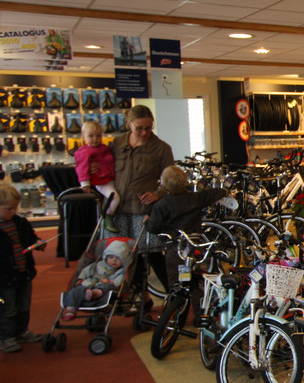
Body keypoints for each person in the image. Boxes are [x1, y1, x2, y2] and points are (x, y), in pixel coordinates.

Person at [106, 105, 174, 300]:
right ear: (129, 124)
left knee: (151, 254)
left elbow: (171, 179)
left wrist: (158, 193)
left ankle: (174, 296)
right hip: (117, 210)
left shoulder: (161, 148)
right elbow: (104, 168)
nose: (144, 133)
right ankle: (139, 298)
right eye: (139, 128)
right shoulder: (117, 143)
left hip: (143, 210)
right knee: (122, 255)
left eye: (148, 128)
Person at [145, 165, 230, 299]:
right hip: (194, 246)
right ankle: (198, 308)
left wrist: (146, 222)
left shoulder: (161, 205)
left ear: (164, 186)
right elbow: (212, 193)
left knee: (175, 282)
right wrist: (225, 191)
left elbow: (154, 227)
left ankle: (178, 307)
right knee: (195, 281)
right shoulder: (195, 198)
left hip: (174, 248)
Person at [0, 184, 45, 353]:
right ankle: (6, 337)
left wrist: (38, 244)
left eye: (15, 208)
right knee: (7, 308)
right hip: (4, 278)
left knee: (24, 305)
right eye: (8, 209)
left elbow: (31, 238)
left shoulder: (20, 223)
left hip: (24, 272)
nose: (13, 211)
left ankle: (22, 331)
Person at [62, 240, 131, 321]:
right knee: (76, 290)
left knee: (108, 286)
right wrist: (81, 279)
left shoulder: (121, 271)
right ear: (106, 257)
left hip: (104, 288)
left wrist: (110, 282)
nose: (114, 260)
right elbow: (86, 270)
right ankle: (71, 309)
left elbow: (120, 281)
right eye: (111, 257)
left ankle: (96, 293)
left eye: (118, 258)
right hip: (89, 284)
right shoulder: (98, 264)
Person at [74, 120, 120, 231]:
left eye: (98, 136)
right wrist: (85, 183)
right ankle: (108, 218)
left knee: (112, 198)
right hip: (101, 180)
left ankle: (106, 218)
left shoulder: (105, 149)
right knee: (114, 197)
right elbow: (81, 168)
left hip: (111, 178)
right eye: (91, 136)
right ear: (83, 137)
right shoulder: (85, 152)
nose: (95, 139)